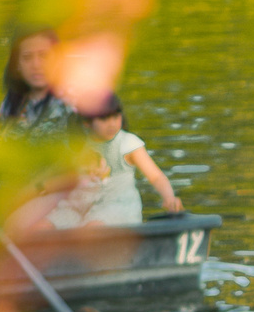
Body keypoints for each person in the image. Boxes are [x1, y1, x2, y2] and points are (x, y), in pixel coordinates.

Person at [37, 93, 183, 230]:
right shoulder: (78, 146)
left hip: (117, 207)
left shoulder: (127, 144)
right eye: (104, 119)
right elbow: (64, 179)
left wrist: (169, 197)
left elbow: (156, 176)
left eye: (116, 117)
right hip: (78, 207)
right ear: (87, 122)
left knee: (92, 228)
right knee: (40, 228)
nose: (112, 124)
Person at [0, 31, 71, 136]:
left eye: (44, 56)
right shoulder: (9, 105)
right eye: (27, 57)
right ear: (17, 64)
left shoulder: (74, 105)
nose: (36, 65)